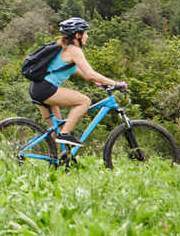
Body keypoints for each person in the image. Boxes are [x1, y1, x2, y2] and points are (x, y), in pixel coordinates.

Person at [30, 17, 128, 150]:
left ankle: (59, 161)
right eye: (85, 33)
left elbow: (81, 72)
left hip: (37, 88)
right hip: (46, 89)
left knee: (57, 129)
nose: (87, 36)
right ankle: (65, 135)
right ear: (77, 35)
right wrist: (115, 83)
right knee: (84, 101)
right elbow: (90, 73)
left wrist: (99, 82)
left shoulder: (62, 47)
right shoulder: (74, 50)